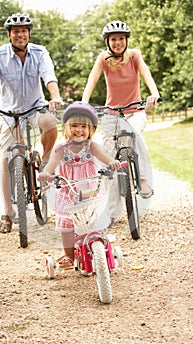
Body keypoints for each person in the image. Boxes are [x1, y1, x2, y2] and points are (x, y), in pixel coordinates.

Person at [0, 13, 62, 233]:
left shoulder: (40, 52)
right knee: (6, 160)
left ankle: (45, 160)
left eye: (24, 31)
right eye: (15, 31)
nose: (20, 34)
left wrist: (55, 96)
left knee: (49, 123)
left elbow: (49, 75)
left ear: (29, 33)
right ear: (9, 34)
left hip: (35, 106)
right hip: (9, 111)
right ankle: (8, 212)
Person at [82, 20, 160, 223]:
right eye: (113, 39)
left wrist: (154, 94)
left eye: (121, 38)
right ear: (107, 42)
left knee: (134, 134)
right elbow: (92, 79)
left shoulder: (134, 56)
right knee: (110, 161)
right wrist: (84, 103)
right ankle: (112, 212)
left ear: (126, 40)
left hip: (135, 112)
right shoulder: (103, 59)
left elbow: (146, 73)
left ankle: (142, 179)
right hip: (112, 114)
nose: (118, 42)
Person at [38, 101, 121, 268]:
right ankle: (69, 255)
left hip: (90, 190)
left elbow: (106, 158)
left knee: (95, 218)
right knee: (67, 223)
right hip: (69, 192)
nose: (79, 130)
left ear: (91, 130)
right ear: (66, 128)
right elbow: (52, 164)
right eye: (74, 125)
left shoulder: (92, 147)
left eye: (84, 126)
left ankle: (102, 249)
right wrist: (46, 173)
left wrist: (113, 163)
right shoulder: (61, 148)